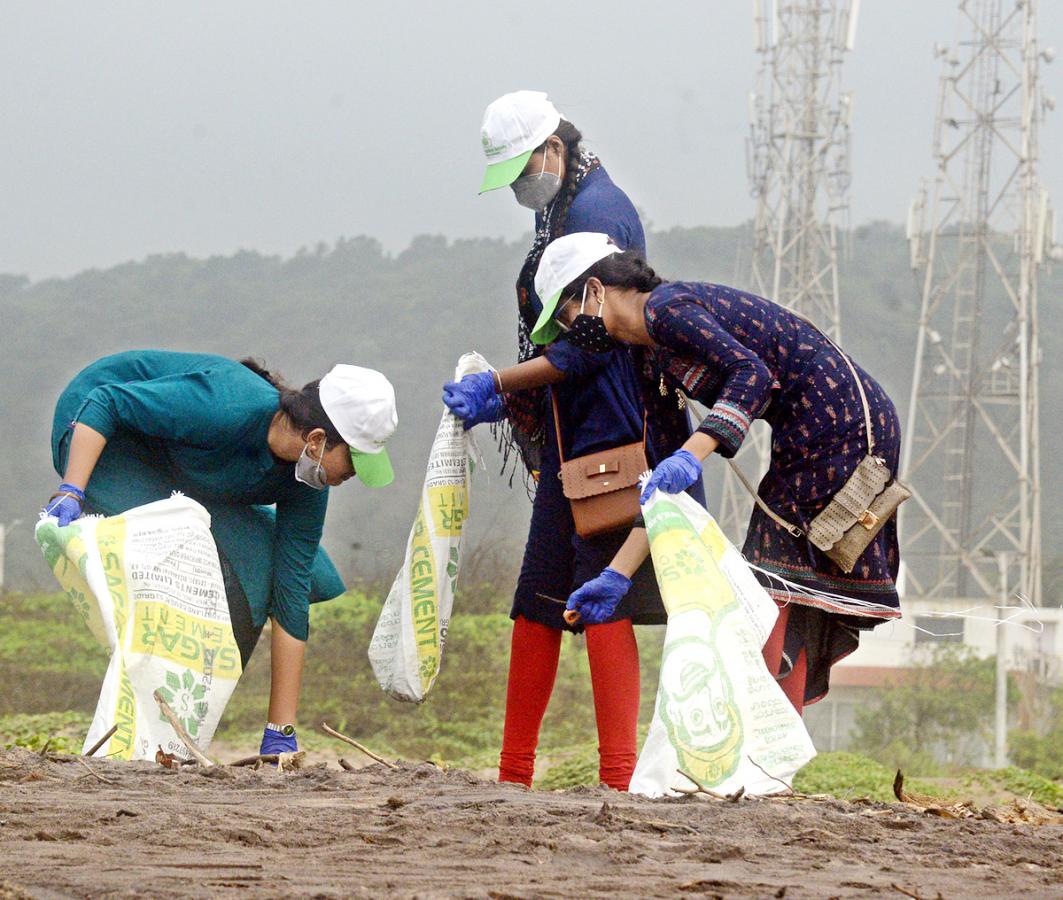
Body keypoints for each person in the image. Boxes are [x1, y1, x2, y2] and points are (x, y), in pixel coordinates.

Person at [441, 91, 699, 791]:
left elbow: (589, 344)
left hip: (608, 426)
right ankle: (512, 774)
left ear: (551, 151)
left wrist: (501, 384)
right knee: (539, 593)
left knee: (597, 589)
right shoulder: (565, 205)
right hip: (567, 428)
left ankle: (617, 780)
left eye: (522, 170)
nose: (519, 189)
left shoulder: (597, 215)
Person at [531, 232, 903, 711]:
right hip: (810, 426)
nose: (570, 331)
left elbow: (753, 375)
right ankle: (772, 749)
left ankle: (764, 744)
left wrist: (694, 452)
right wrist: (617, 574)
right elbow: (662, 484)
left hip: (842, 419)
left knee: (774, 582)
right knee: (781, 588)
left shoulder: (665, 310)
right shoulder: (649, 355)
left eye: (566, 316)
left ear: (596, 290)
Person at [44, 350, 397, 755]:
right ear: (317, 441)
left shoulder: (307, 481)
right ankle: (139, 724)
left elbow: (292, 591)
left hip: (178, 462)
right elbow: (108, 402)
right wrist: (72, 489)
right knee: (188, 545)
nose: (351, 475)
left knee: (264, 572)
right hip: (101, 434)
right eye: (353, 461)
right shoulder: (226, 407)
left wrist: (281, 729)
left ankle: (184, 726)